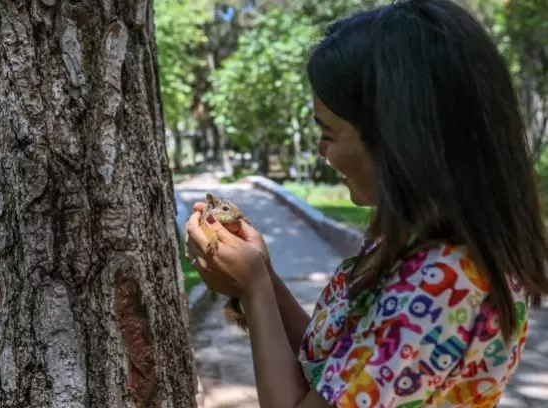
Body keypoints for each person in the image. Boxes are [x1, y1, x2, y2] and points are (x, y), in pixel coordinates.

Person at [184, 0, 548, 406]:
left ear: (396, 142)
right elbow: (334, 372)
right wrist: (264, 276)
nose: (322, 151)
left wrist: (253, 288)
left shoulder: (447, 283)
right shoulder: (415, 247)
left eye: (330, 133)